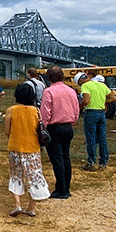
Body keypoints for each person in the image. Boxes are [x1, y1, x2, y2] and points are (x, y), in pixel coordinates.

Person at [5, 82, 50, 217]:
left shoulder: (11, 110)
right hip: (33, 147)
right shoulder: (36, 111)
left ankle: (17, 205)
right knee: (34, 176)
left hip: (15, 146)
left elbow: (7, 131)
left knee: (16, 175)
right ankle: (31, 207)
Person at [39, 65, 79, 199]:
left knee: (57, 159)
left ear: (49, 77)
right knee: (66, 157)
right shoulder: (71, 91)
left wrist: (42, 128)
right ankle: (66, 187)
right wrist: (72, 122)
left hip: (54, 127)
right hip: (68, 127)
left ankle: (60, 190)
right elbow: (76, 109)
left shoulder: (48, 91)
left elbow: (45, 113)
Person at [78, 72, 112, 170]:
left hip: (91, 113)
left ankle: (91, 162)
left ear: (81, 80)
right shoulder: (102, 85)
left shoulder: (85, 86)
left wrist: (79, 107)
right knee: (102, 138)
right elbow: (113, 97)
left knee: (91, 139)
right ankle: (103, 162)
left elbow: (86, 101)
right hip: (101, 113)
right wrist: (103, 102)